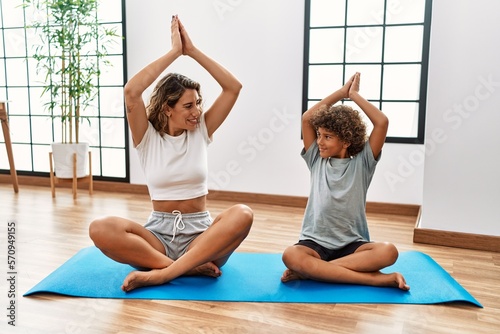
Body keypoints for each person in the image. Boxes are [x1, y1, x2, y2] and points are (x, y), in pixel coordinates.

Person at [89, 15, 253, 292]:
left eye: (198, 103)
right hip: (157, 237)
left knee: (243, 213)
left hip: (201, 237)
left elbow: (233, 88)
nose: (197, 112)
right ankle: (184, 266)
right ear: (168, 108)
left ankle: (162, 274)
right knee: (99, 228)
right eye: (188, 106)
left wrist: (192, 51)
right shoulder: (147, 137)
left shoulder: (201, 130)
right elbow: (132, 91)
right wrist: (174, 53)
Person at [281, 72, 409, 291]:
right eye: (318, 134)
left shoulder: (363, 163)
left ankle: (315, 271)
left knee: (389, 251)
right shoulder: (316, 160)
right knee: (290, 255)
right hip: (315, 244)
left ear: (347, 141)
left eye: (327, 137)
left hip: (353, 245)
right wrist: (341, 92)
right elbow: (307, 118)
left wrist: (354, 95)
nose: (319, 141)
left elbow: (381, 122)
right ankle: (375, 279)